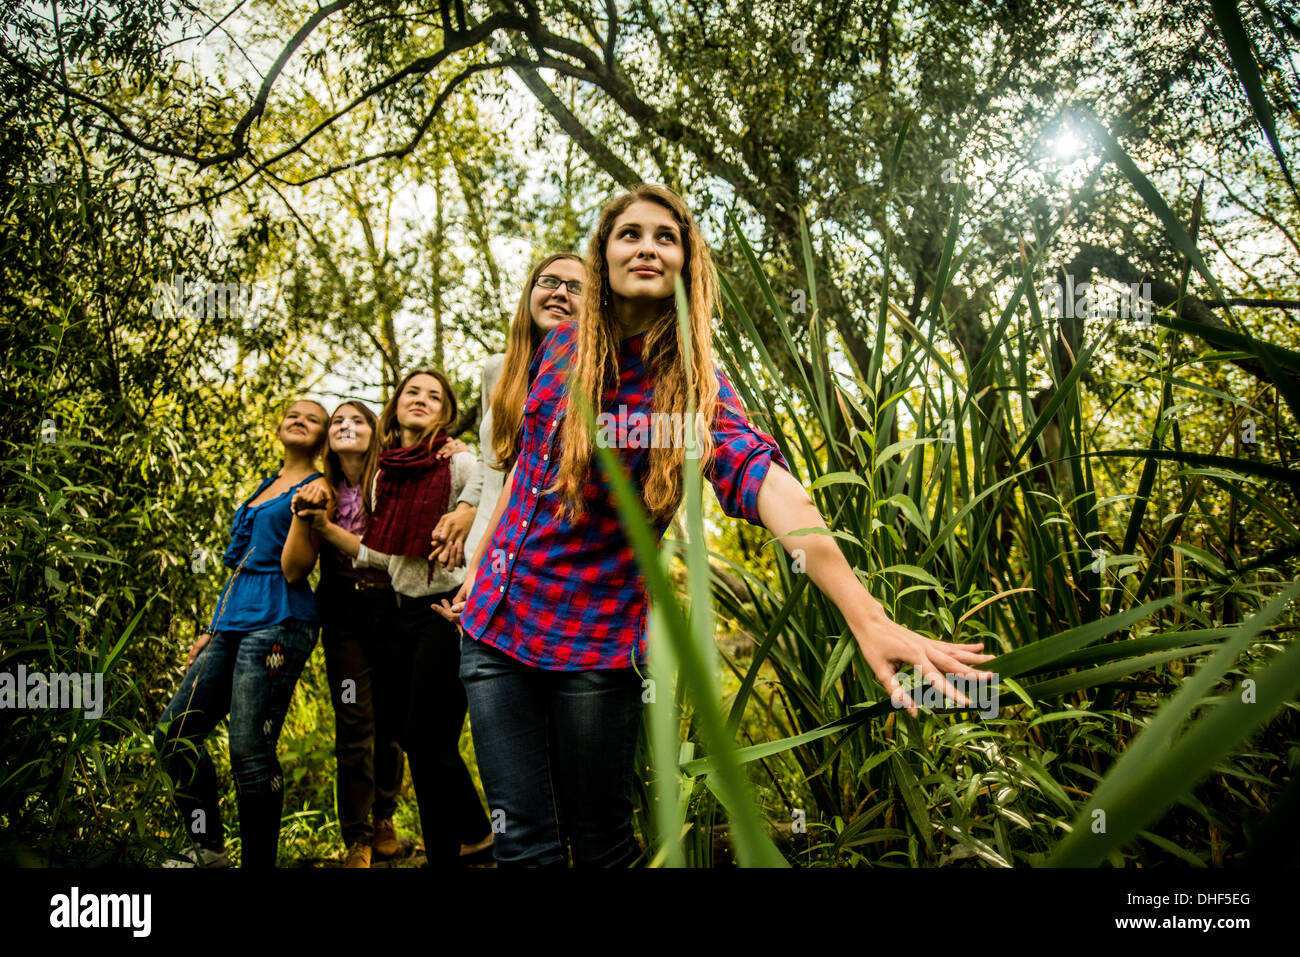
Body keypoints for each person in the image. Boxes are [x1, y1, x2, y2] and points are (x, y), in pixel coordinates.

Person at [436, 184, 998, 867]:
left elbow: (770, 484)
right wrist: (481, 570)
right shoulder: (559, 352)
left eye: (665, 236)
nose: (647, 245)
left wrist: (864, 612)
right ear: (604, 255)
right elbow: (523, 480)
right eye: (630, 233)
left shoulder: (694, 386)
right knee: (524, 844)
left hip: (591, 646)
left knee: (601, 843)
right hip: (492, 633)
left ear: (685, 264)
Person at [294, 371, 492, 866]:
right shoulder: (386, 475)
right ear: (396, 406)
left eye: (434, 396)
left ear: (445, 412)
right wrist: (324, 528)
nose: (421, 400)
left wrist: (476, 592)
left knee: (427, 738)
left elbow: (494, 517)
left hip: (448, 611)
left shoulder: (461, 462)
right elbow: (383, 556)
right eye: (412, 393)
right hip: (402, 612)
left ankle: (479, 835)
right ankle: (452, 849)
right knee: (418, 739)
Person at [154, 399, 329, 868]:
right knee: (175, 731)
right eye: (294, 414)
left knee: (250, 750)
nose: (300, 420)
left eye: (313, 418)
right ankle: (206, 847)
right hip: (232, 620)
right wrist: (211, 628)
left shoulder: (318, 488)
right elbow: (239, 567)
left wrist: (300, 514)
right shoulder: (265, 486)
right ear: (279, 426)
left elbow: (295, 570)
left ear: (323, 436)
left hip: (280, 619)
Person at [280, 400, 403, 868]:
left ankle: (384, 817)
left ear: (375, 433)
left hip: (390, 606)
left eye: (357, 421)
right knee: (354, 721)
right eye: (338, 422)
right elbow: (298, 562)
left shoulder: (391, 480)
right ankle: (356, 837)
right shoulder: (320, 488)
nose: (346, 427)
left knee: (391, 720)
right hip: (344, 608)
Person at [429, 252, 586, 569]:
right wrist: (465, 507)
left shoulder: (598, 384)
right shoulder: (497, 371)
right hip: (481, 557)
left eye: (575, 287)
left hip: (546, 562)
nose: (560, 293)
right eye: (550, 282)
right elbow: (492, 460)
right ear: (531, 293)